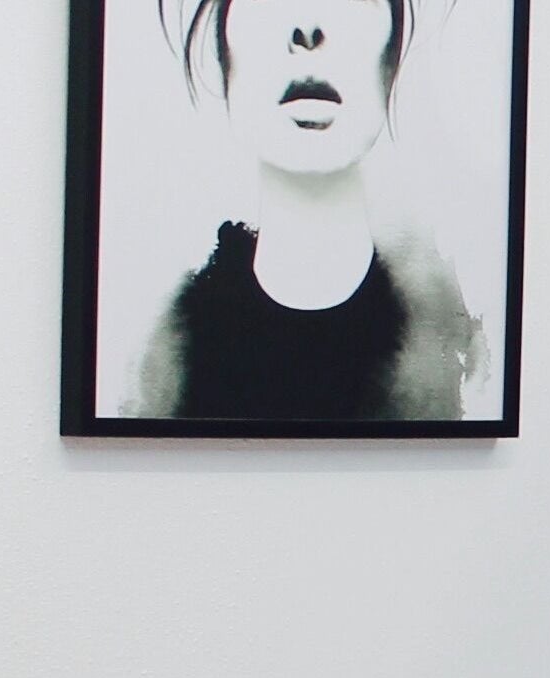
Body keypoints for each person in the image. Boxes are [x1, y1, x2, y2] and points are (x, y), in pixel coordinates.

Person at [130, 0, 486, 421]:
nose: (308, 29)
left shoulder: (465, 357)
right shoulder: (158, 361)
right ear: (220, 44)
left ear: (393, 51)